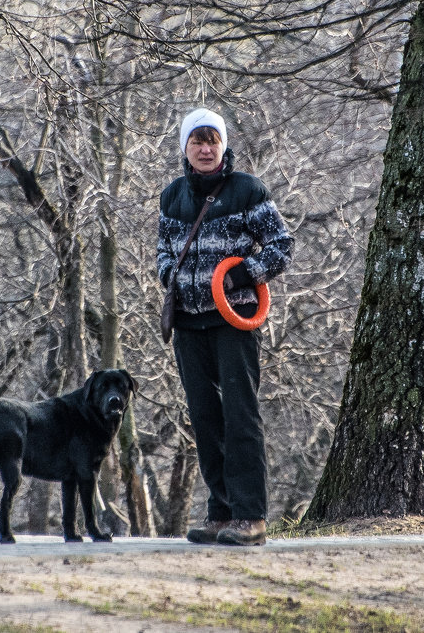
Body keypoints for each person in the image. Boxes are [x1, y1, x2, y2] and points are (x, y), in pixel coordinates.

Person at [156, 108, 293, 546]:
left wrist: (240, 275)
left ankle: (251, 516)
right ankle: (221, 513)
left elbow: (282, 246)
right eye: (197, 141)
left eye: (212, 140)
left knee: (240, 416)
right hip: (188, 324)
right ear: (185, 148)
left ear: (223, 144)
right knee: (204, 419)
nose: (205, 148)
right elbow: (163, 250)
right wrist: (167, 275)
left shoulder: (246, 190)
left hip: (233, 321)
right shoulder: (172, 196)